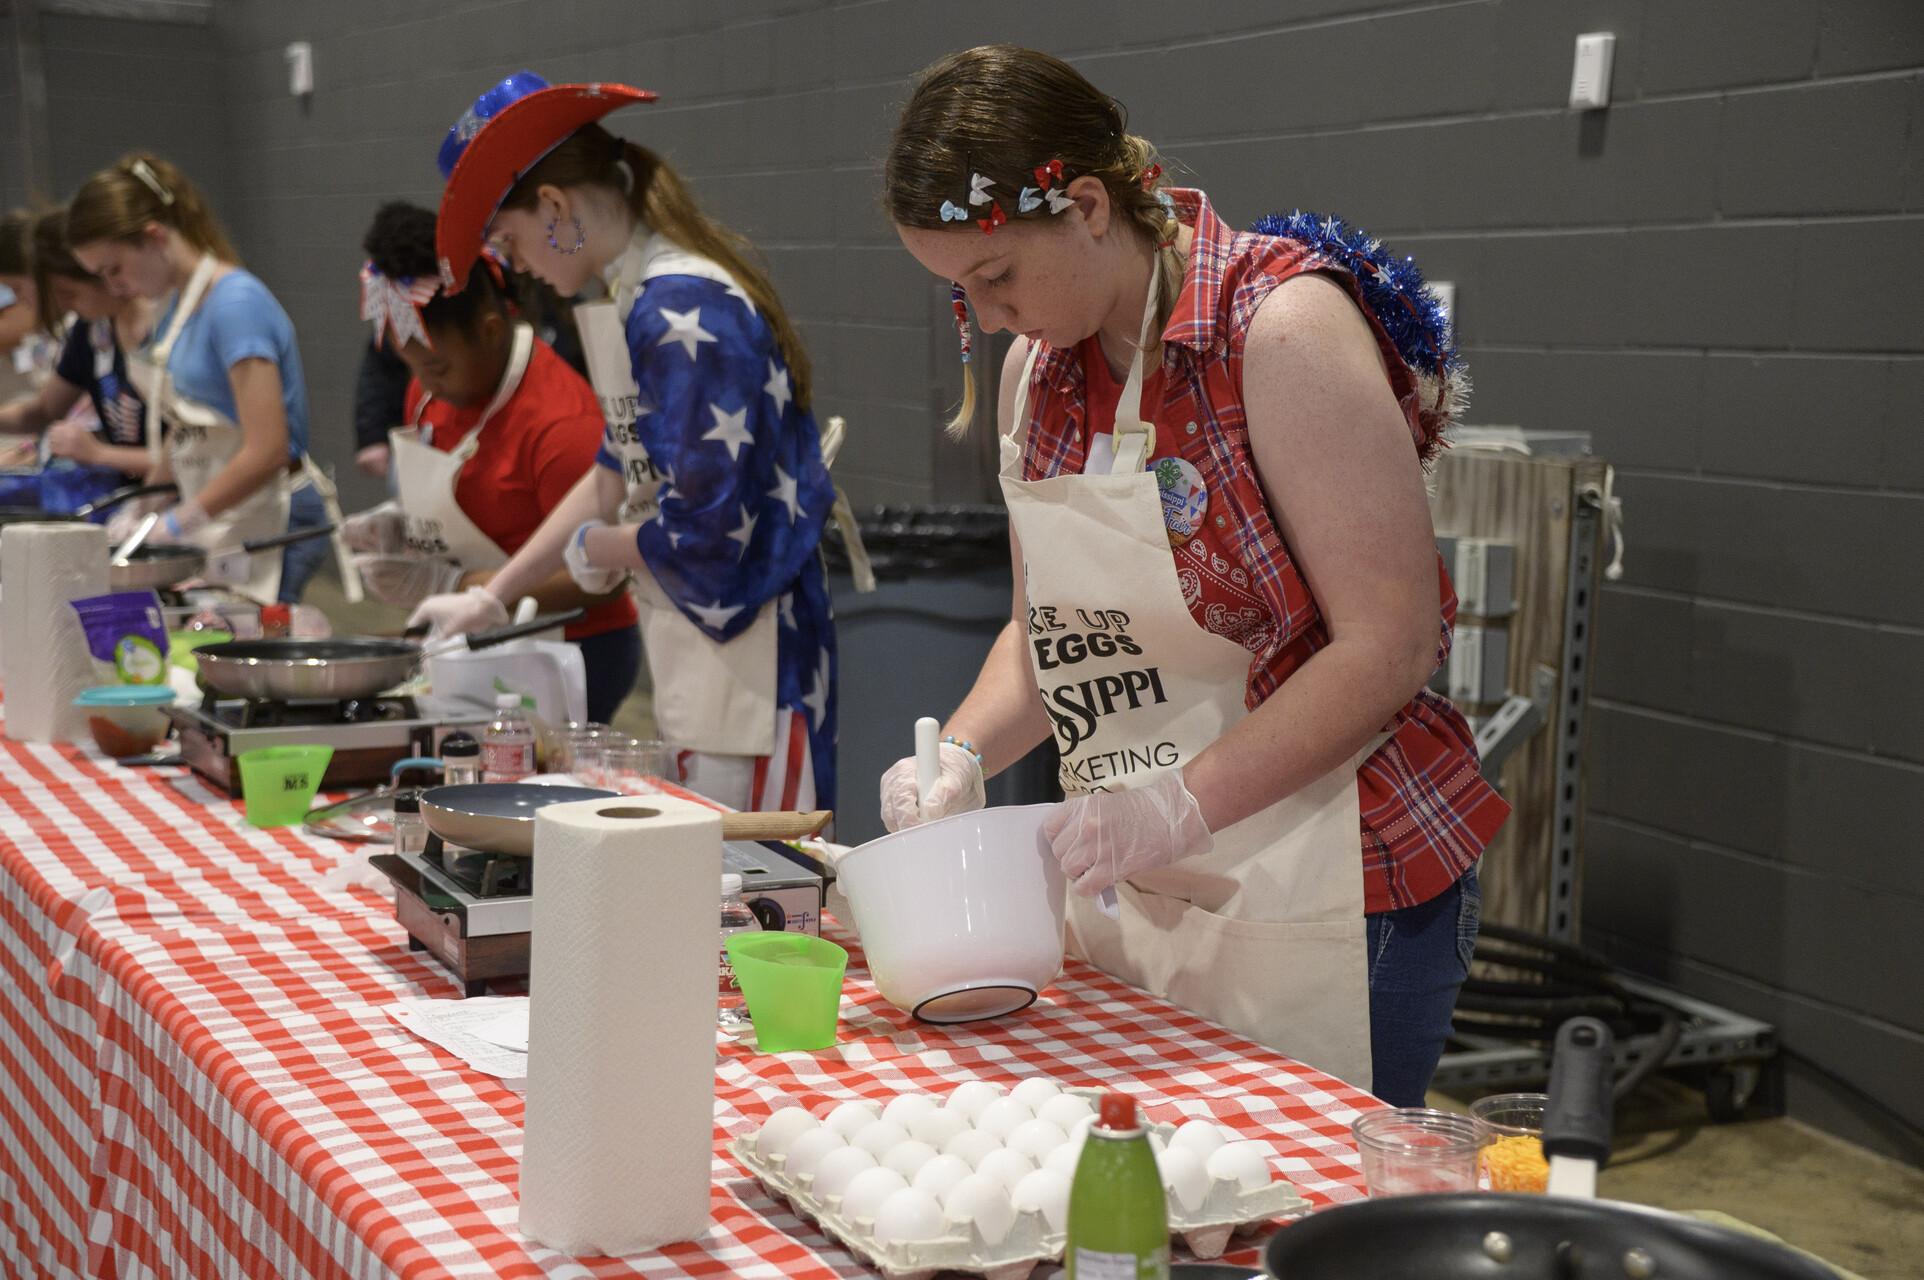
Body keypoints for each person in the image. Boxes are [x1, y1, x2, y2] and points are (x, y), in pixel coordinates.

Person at [877, 47, 1510, 1105]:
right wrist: (959, 753)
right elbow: (1049, 633)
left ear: (1085, 203)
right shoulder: (1039, 380)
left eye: (994, 277)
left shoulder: (1280, 329)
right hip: (1147, 887)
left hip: (1337, 886)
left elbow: (1387, 644)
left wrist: (1175, 803)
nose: (986, 318)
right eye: (957, 296)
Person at [407, 73, 842, 812]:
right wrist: (494, 597)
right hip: (701, 646)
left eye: (508, 240)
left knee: (760, 877)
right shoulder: (636, 294)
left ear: (553, 208)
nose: (517, 265)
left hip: (757, 659)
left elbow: (702, 531)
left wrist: (598, 551)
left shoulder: (678, 306)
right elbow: (614, 470)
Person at [341, 200, 641, 724]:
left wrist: (455, 586)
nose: (426, 385)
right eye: (414, 369)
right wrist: (400, 524)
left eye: (437, 367)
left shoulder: (560, 422)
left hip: (571, 649)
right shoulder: (433, 395)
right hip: (478, 640)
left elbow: (603, 578)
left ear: (490, 330)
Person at [66, 153, 349, 603]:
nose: (114, 288)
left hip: (270, 511)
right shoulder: (174, 307)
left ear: (154, 237)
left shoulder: (235, 306)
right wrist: (146, 504)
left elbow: (268, 448)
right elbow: (186, 426)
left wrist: (181, 521)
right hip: (225, 508)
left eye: (113, 269)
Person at [0, 207, 154, 478]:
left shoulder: (159, 328)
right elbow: (43, 410)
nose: (63, 303)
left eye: (68, 292)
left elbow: (189, 455)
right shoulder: (91, 330)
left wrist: (101, 455)